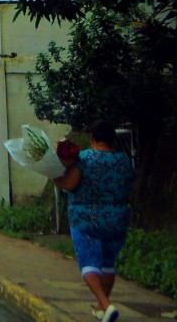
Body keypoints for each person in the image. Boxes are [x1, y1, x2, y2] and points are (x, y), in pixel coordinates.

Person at [52, 120, 135, 322]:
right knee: (107, 263)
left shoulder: (85, 159)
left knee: (89, 263)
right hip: (117, 220)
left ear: (92, 138)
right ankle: (101, 308)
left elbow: (70, 184)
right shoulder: (124, 160)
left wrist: (54, 177)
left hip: (86, 220)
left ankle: (106, 305)